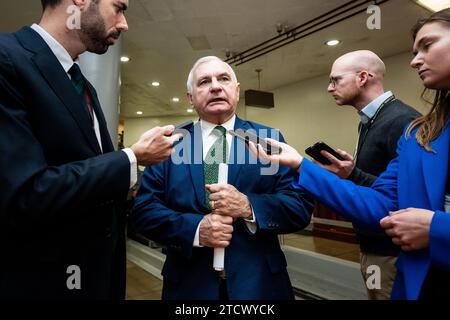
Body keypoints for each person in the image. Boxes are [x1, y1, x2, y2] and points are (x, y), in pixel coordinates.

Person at [248, 8, 450, 300]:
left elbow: (418, 215)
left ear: (363, 78)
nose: (414, 60)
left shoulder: (400, 121)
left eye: (428, 46)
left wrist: (437, 228)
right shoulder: (421, 133)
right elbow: (383, 202)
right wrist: (299, 164)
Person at [0, 0, 181, 299]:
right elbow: (23, 194)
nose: (124, 23)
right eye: (119, 7)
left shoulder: (82, 84)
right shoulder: (7, 59)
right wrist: (132, 158)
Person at [132, 56, 313, 300]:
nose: (215, 86)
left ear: (236, 91)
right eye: (204, 82)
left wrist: (249, 207)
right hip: (188, 287)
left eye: (224, 79)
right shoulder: (169, 144)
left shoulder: (266, 139)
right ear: (190, 97)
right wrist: (195, 229)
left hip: (260, 286)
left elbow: (298, 207)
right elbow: (144, 212)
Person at [320, 50, 420, 299]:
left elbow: (409, 196)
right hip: (373, 246)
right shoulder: (369, 120)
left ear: (363, 77)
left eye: (336, 80)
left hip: (392, 253)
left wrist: (354, 174)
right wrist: (352, 171)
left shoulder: (402, 120)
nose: (330, 88)